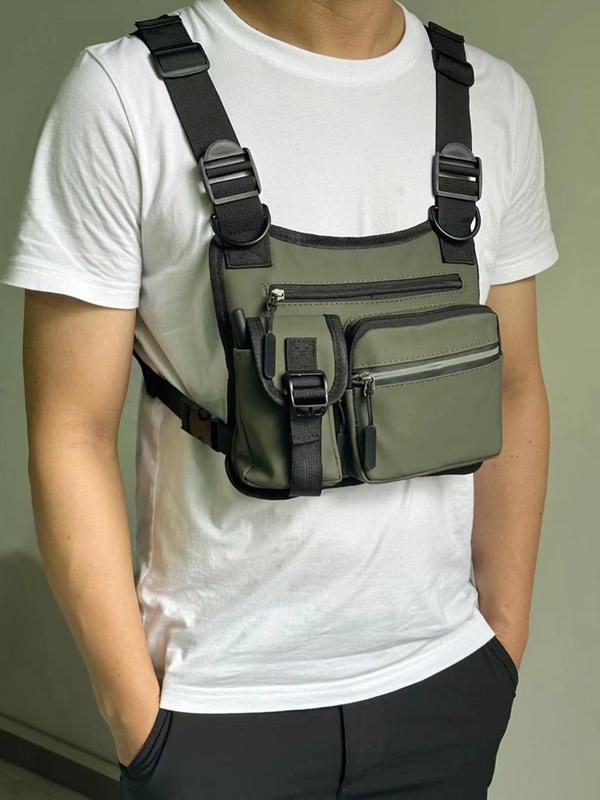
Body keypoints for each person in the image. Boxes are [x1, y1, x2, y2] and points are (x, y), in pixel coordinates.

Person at [3, 0, 558, 797]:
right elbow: (69, 433)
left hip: (445, 684)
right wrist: (136, 716)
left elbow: (515, 384)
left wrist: (502, 639)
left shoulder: (491, 100)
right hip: (216, 707)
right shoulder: (124, 94)